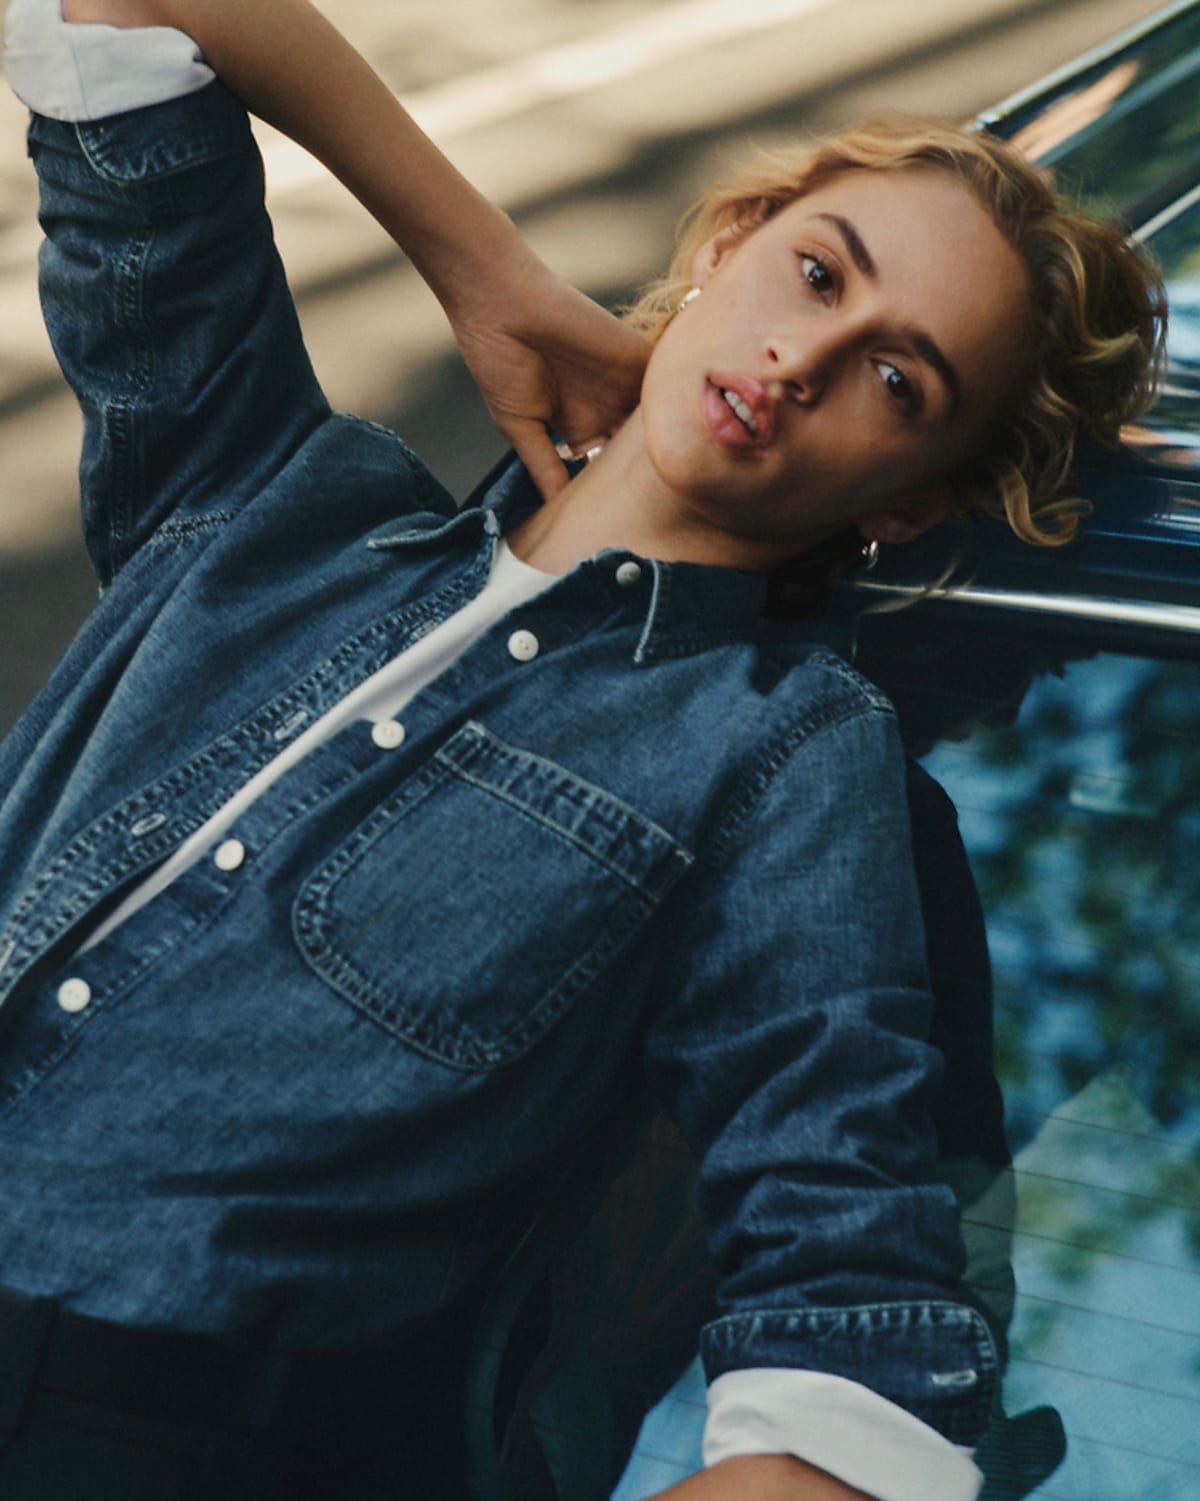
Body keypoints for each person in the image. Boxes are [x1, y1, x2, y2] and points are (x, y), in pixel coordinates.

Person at [0, 2, 1164, 1499]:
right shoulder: (278, 498)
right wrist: (486, 268)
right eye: (814, 271)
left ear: (910, 504)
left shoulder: (785, 753)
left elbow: (854, 1381)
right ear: (731, 242)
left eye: (899, 382)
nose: (805, 354)